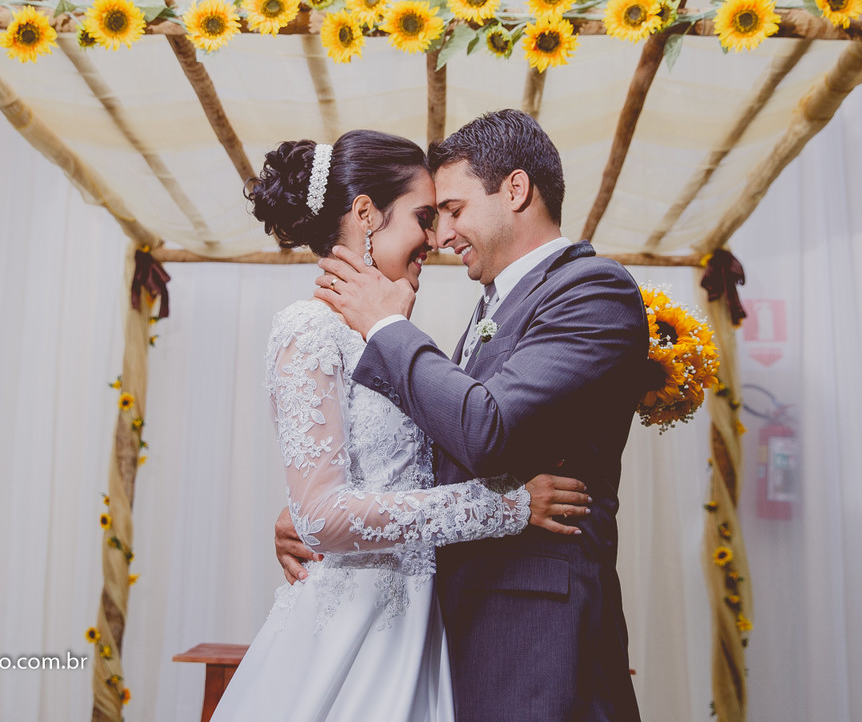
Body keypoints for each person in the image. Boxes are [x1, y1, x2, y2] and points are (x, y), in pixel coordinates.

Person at [211, 129, 589, 722]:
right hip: (355, 630)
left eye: (446, 215)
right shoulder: (306, 328)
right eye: (424, 216)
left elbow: (414, 466)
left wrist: (316, 512)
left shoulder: (401, 341)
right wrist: (509, 507)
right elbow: (323, 515)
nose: (436, 239)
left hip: (426, 626)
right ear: (366, 215)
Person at [291, 109, 649, 721]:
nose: (440, 236)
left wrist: (385, 326)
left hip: (533, 634)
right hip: (459, 626)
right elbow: (442, 447)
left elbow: (488, 430)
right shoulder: (494, 306)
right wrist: (328, 505)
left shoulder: (594, 290)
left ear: (515, 189)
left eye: (453, 210)